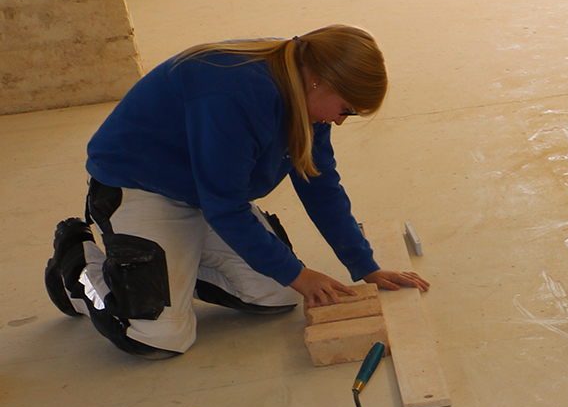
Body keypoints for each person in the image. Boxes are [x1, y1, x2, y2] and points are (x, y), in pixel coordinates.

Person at [44, 25, 427, 359]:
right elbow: (226, 207)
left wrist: (365, 266)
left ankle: (171, 268)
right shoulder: (234, 93)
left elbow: (320, 185)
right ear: (320, 81)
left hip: (204, 193)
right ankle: (77, 265)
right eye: (346, 110)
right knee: (157, 337)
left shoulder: (306, 98)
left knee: (281, 294)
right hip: (141, 187)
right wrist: (298, 272)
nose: (340, 121)